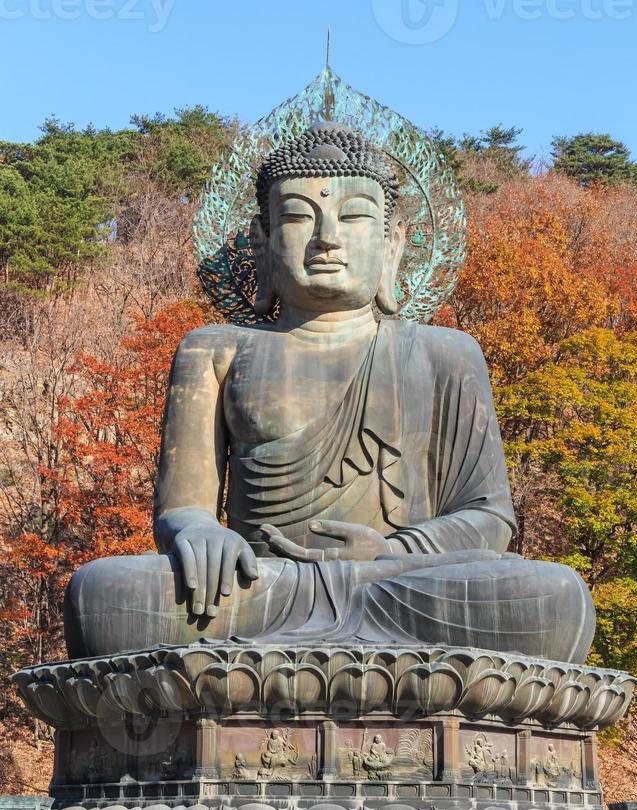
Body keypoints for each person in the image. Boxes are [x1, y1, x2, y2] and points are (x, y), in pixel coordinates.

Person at [64, 125, 595, 663]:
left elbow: (489, 518)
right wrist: (201, 532)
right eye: (297, 216)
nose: (327, 237)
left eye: (355, 215)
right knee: (106, 593)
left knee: (554, 597)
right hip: (263, 587)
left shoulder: (444, 353)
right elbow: (183, 507)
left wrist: (392, 552)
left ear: (393, 243)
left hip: (400, 585)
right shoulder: (216, 349)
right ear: (262, 240)